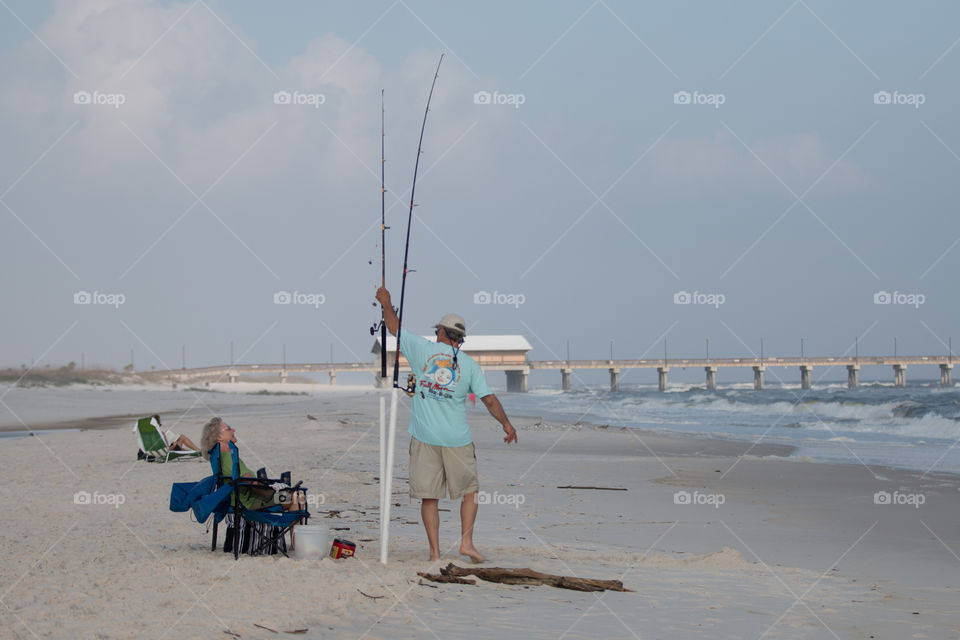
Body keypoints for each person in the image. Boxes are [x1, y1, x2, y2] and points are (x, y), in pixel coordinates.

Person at [375, 287, 518, 563]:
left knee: (430, 496)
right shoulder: (470, 365)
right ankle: (466, 543)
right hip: (457, 439)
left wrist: (386, 302)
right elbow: (489, 400)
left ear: (441, 333)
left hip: (425, 436)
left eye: (437, 331)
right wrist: (507, 425)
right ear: (460, 339)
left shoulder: (422, 349)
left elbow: (393, 327)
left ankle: (434, 552)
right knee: (470, 492)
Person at [199, 417, 305, 516]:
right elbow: (252, 484)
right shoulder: (229, 459)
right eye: (229, 429)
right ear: (219, 437)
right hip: (249, 503)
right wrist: (274, 490)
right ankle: (298, 536)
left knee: (292, 494)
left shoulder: (218, 458)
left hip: (235, 501)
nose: (233, 430)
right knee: (297, 497)